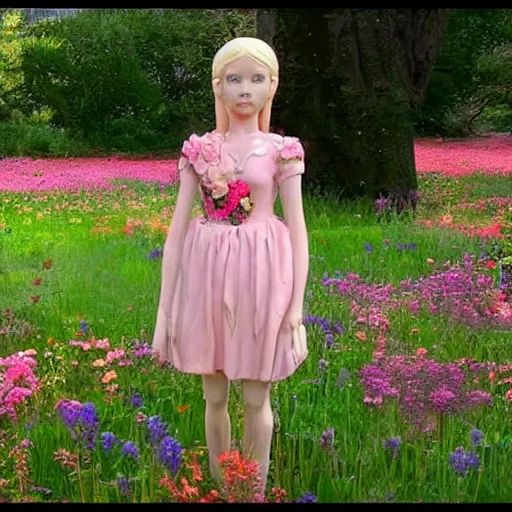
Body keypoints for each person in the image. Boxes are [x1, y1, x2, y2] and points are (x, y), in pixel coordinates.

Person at [152, 36, 310, 491]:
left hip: (263, 276)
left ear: (271, 87)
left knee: (257, 392)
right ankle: (225, 487)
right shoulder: (198, 150)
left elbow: (298, 230)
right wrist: (166, 311)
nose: (246, 90)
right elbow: (177, 232)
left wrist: (296, 306)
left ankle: (253, 490)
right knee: (214, 393)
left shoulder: (283, 149)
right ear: (218, 87)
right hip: (208, 276)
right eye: (235, 79)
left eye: (256, 79)